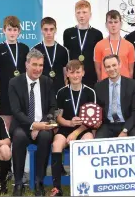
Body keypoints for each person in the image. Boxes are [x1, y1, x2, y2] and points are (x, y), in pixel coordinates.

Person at [8, 49, 57, 196]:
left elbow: (53, 107)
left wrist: (41, 125)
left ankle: (39, 182)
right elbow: (16, 111)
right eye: (34, 64)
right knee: (19, 137)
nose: (38, 69)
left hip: (42, 125)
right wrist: (33, 125)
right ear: (26, 64)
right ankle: (18, 183)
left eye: (41, 65)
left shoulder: (47, 81)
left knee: (45, 137)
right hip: (22, 125)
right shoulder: (15, 82)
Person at [50, 60, 96, 196]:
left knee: (88, 142)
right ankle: (57, 188)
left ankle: (86, 185)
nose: (75, 75)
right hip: (66, 127)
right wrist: (69, 123)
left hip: (84, 128)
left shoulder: (90, 92)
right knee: (56, 144)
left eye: (78, 72)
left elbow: (92, 120)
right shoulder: (62, 92)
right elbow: (58, 117)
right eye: (72, 72)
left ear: (83, 73)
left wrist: (76, 132)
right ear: (67, 74)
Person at [0, 16, 29, 130]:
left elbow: (28, 71)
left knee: (22, 125)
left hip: (22, 94)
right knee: (6, 127)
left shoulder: (24, 48)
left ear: (19, 31)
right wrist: (4, 89)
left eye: (15, 30)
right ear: (4, 30)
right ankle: (6, 148)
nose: (12, 33)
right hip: (5, 94)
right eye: (9, 29)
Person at [94, 54, 135, 138]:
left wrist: (125, 130)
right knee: (98, 142)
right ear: (104, 69)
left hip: (128, 124)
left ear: (120, 65)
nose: (111, 69)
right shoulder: (98, 87)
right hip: (107, 125)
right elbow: (98, 110)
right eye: (108, 66)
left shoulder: (133, 85)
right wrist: (97, 121)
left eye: (114, 65)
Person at [63, 0, 103, 88]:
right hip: (73, 76)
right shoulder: (68, 33)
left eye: (84, 12)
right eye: (78, 13)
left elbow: (99, 58)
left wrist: (99, 77)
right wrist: (66, 77)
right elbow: (66, 56)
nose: (81, 16)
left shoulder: (97, 34)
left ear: (90, 14)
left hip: (91, 76)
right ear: (75, 14)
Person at [94, 10, 135, 81]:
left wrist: (128, 86)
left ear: (121, 24)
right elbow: (98, 70)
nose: (113, 25)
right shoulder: (99, 45)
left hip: (124, 85)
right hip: (106, 85)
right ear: (106, 25)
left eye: (116, 22)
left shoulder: (129, 46)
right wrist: (101, 86)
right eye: (110, 22)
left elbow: (131, 70)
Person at [32, 17, 69, 94]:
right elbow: (32, 73)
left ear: (55, 30)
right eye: (46, 29)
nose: (48, 33)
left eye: (51, 29)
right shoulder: (35, 50)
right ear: (41, 30)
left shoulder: (63, 50)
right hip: (41, 90)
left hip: (59, 90)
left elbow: (65, 75)